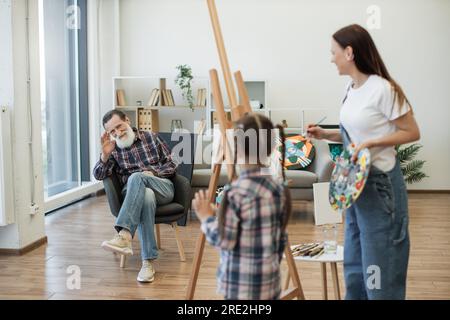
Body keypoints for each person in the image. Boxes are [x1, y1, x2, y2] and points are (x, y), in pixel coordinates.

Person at [307, 24, 420, 299]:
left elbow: (412, 132)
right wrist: (325, 134)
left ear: (349, 52)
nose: (331, 58)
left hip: (380, 186)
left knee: (379, 264)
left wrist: (371, 144)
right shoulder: (351, 88)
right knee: (356, 261)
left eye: (333, 52)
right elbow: (357, 133)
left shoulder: (383, 89)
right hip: (355, 186)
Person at [192, 114, 291, 300]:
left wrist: (205, 217)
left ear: (236, 148)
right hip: (270, 283)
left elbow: (224, 240)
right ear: (270, 149)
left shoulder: (235, 193)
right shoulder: (279, 189)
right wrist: (218, 213)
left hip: (240, 288)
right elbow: (278, 238)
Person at [93, 109, 177, 283]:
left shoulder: (151, 137)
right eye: (112, 131)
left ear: (127, 120)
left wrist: (152, 172)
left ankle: (124, 235)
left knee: (138, 176)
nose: (118, 133)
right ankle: (147, 263)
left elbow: (173, 163)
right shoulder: (113, 149)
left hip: (162, 186)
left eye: (119, 126)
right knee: (144, 194)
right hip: (134, 192)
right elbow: (99, 175)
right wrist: (105, 155)